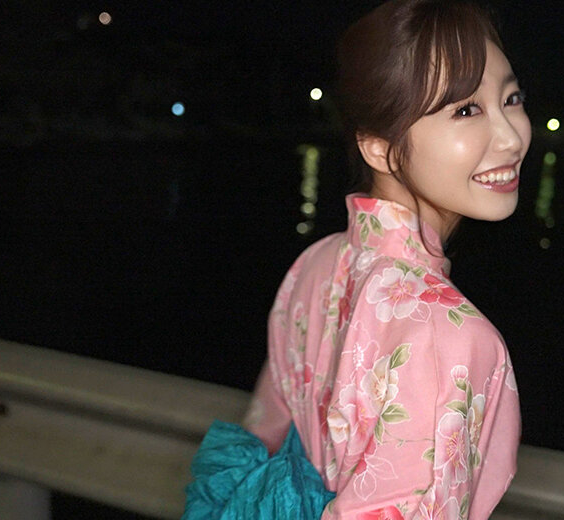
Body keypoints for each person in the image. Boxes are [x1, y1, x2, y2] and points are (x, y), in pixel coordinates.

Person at [183, 1, 530, 518]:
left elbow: (262, 437)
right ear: (379, 148)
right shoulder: (450, 336)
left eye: (511, 98)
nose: (512, 137)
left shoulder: (316, 263)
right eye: (466, 110)